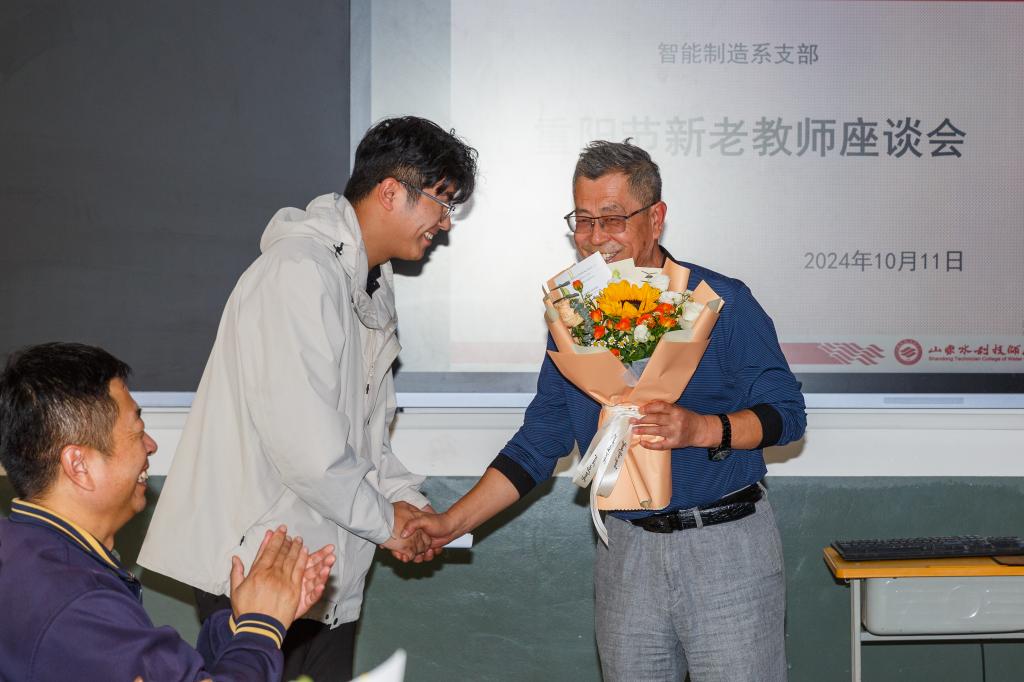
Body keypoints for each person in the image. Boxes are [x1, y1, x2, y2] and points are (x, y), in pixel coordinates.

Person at [407, 140, 806, 681]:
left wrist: (702, 429)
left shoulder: (721, 301)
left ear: (655, 218)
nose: (596, 238)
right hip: (626, 550)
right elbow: (540, 441)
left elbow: (788, 415)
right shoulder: (574, 319)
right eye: (584, 220)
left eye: (613, 219)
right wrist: (448, 523)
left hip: (726, 546)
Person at [139, 116, 478, 680]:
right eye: (441, 202)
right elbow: (308, 451)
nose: (444, 223)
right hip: (262, 571)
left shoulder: (368, 282)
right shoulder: (298, 273)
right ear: (390, 192)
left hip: (322, 568)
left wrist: (411, 505)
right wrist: (391, 524)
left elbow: (364, 437)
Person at [0, 342, 335, 681]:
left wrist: (242, 621)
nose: (151, 445)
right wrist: (262, 627)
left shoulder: (28, 556)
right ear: (79, 465)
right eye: (137, 432)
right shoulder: (77, 604)